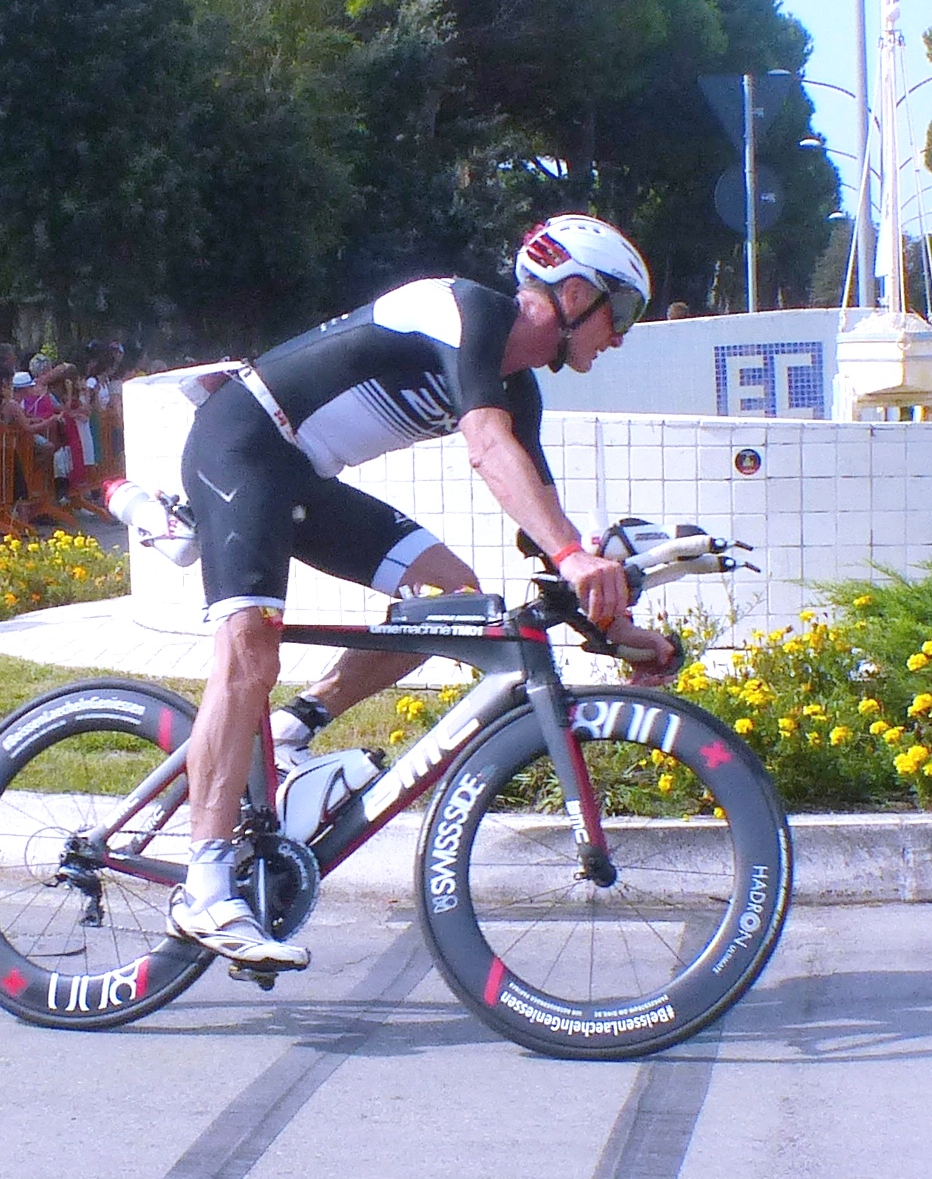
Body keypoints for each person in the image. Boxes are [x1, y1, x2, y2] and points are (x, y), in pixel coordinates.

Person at [155, 215, 678, 970]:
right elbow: (487, 448)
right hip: (240, 443)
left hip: (299, 477)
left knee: (451, 598)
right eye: (620, 312)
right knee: (248, 651)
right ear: (572, 294)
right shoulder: (468, 310)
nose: (620, 337)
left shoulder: (519, 390)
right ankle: (203, 886)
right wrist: (574, 556)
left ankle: (295, 726)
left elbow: (543, 529)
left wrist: (616, 629)